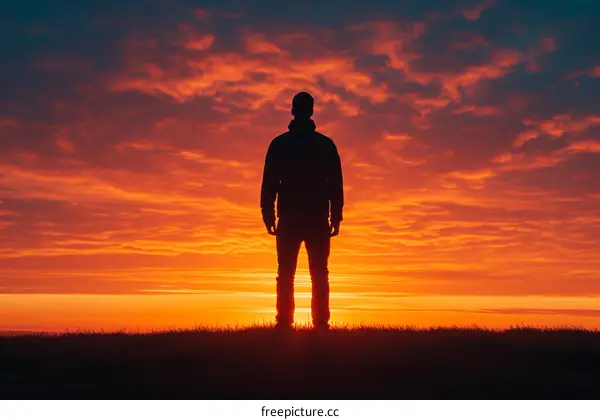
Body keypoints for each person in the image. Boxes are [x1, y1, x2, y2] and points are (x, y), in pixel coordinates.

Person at [260, 92, 344, 330]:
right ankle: (319, 325)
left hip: (295, 217)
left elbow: (269, 183)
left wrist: (267, 212)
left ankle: (285, 323)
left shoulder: (280, 144)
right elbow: (335, 184)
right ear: (311, 111)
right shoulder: (324, 145)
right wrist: (336, 215)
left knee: (288, 272)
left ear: (293, 111)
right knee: (317, 273)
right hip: (313, 217)